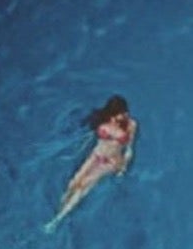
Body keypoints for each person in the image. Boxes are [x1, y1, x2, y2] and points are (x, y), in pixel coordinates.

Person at [49, 95, 138, 228]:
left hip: (111, 162)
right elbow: (92, 138)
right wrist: (79, 150)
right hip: (96, 155)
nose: (121, 116)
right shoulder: (104, 119)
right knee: (74, 182)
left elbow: (129, 148)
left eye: (122, 113)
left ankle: (56, 220)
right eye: (118, 114)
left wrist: (123, 168)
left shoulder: (131, 125)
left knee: (83, 186)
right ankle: (61, 207)